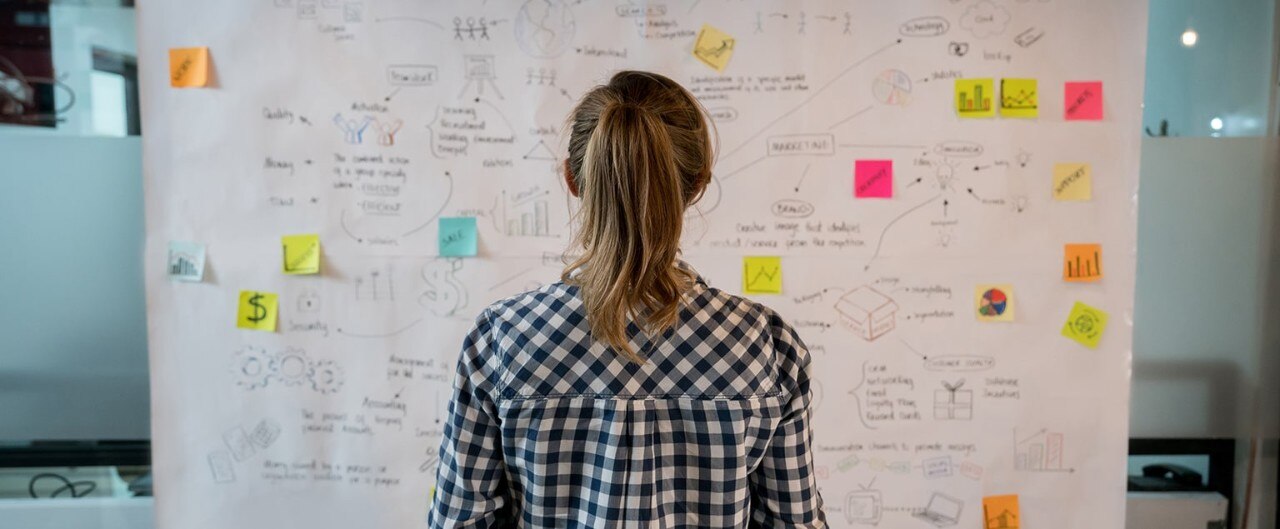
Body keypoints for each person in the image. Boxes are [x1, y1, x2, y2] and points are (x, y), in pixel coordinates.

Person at [428, 70, 826, 528]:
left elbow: (458, 522)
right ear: (698, 185)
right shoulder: (766, 344)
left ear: (572, 178)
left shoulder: (500, 339)